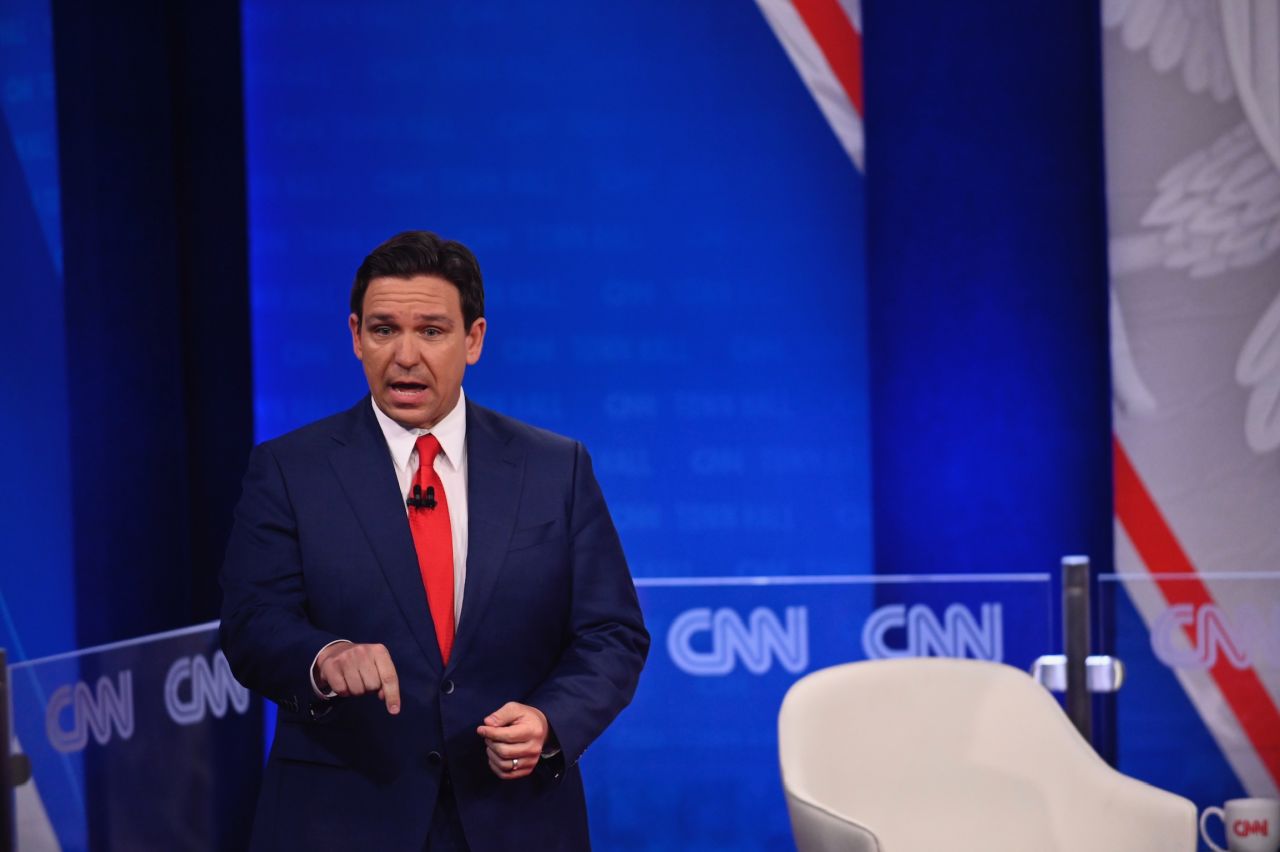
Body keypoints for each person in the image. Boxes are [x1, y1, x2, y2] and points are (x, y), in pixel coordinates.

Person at [220, 230, 650, 851]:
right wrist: (324, 656)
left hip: (514, 817)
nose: (404, 355)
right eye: (383, 329)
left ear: (473, 339)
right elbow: (251, 622)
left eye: (431, 330)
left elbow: (613, 633)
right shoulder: (290, 470)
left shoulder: (555, 469)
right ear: (354, 337)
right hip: (342, 818)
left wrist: (550, 720)